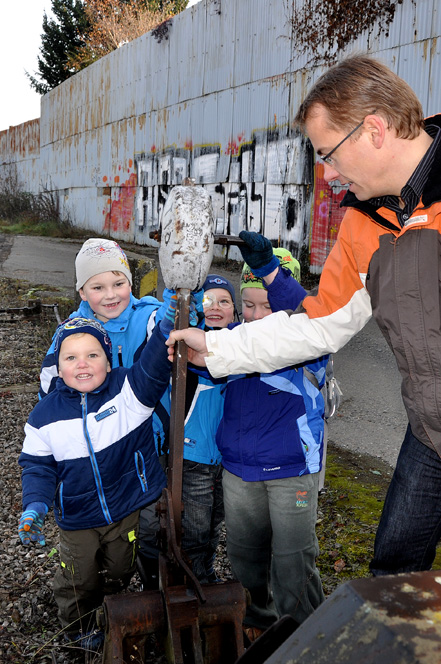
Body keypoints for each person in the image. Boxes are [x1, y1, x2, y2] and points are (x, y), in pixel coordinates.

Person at [166, 53, 441, 578]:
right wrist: (217, 347)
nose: (329, 175)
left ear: (375, 130)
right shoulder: (365, 222)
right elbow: (317, 323)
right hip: (430, 431)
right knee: (394, 574)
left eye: (329, 155)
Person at [18, 309, 176, 650]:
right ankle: (78, 629)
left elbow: (153, 366)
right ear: (59, 368)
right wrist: (34, 505)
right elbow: (37, 466)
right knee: (77, 579)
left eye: (93, 354)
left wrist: (167, 325)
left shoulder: (128, 392)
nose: (82, 364)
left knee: (120, 568)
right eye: (71, 357)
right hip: (77, 518)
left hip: (125, 508)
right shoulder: (44, 416)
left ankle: (109, 610)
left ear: (108, 360)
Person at [214, 247, 327, 637]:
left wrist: (271, 275)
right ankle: (258, 624)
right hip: (241, 471)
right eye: (248, 305)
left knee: (293, 562)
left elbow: (313, 314)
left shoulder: (311, 339)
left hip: (292, 471)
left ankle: (306, 634)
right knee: (245, 557)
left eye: (268, 305)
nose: (257, 316)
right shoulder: (230, 339)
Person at [138, 274, 237, 584]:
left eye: (225, 301)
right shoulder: (187, 351)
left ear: (235, 309)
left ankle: (204, 571)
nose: (217, 307)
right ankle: (193, 582)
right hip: (193, 456)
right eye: (208, 300)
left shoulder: (242, 348)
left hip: (225, 460)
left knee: (213, 525)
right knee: (193, 528)